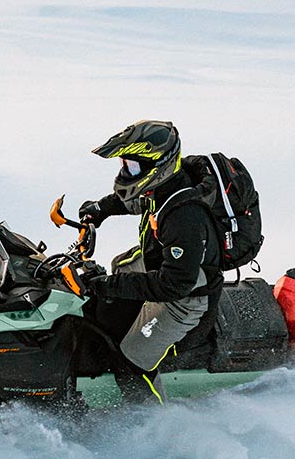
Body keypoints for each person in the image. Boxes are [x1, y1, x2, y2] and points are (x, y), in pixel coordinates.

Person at [77, 120, 223, 404]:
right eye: (125, 165)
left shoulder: (185, 217)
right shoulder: (165, 186)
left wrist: (109, 285)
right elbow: (138, 200)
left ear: (159, 166)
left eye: (132, 167)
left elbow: (175, 284)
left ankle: (151, 423)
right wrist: (101, 209)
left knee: (132, 361)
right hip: (162, 265)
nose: (126, 172)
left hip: (185, 298)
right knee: (121, 264)